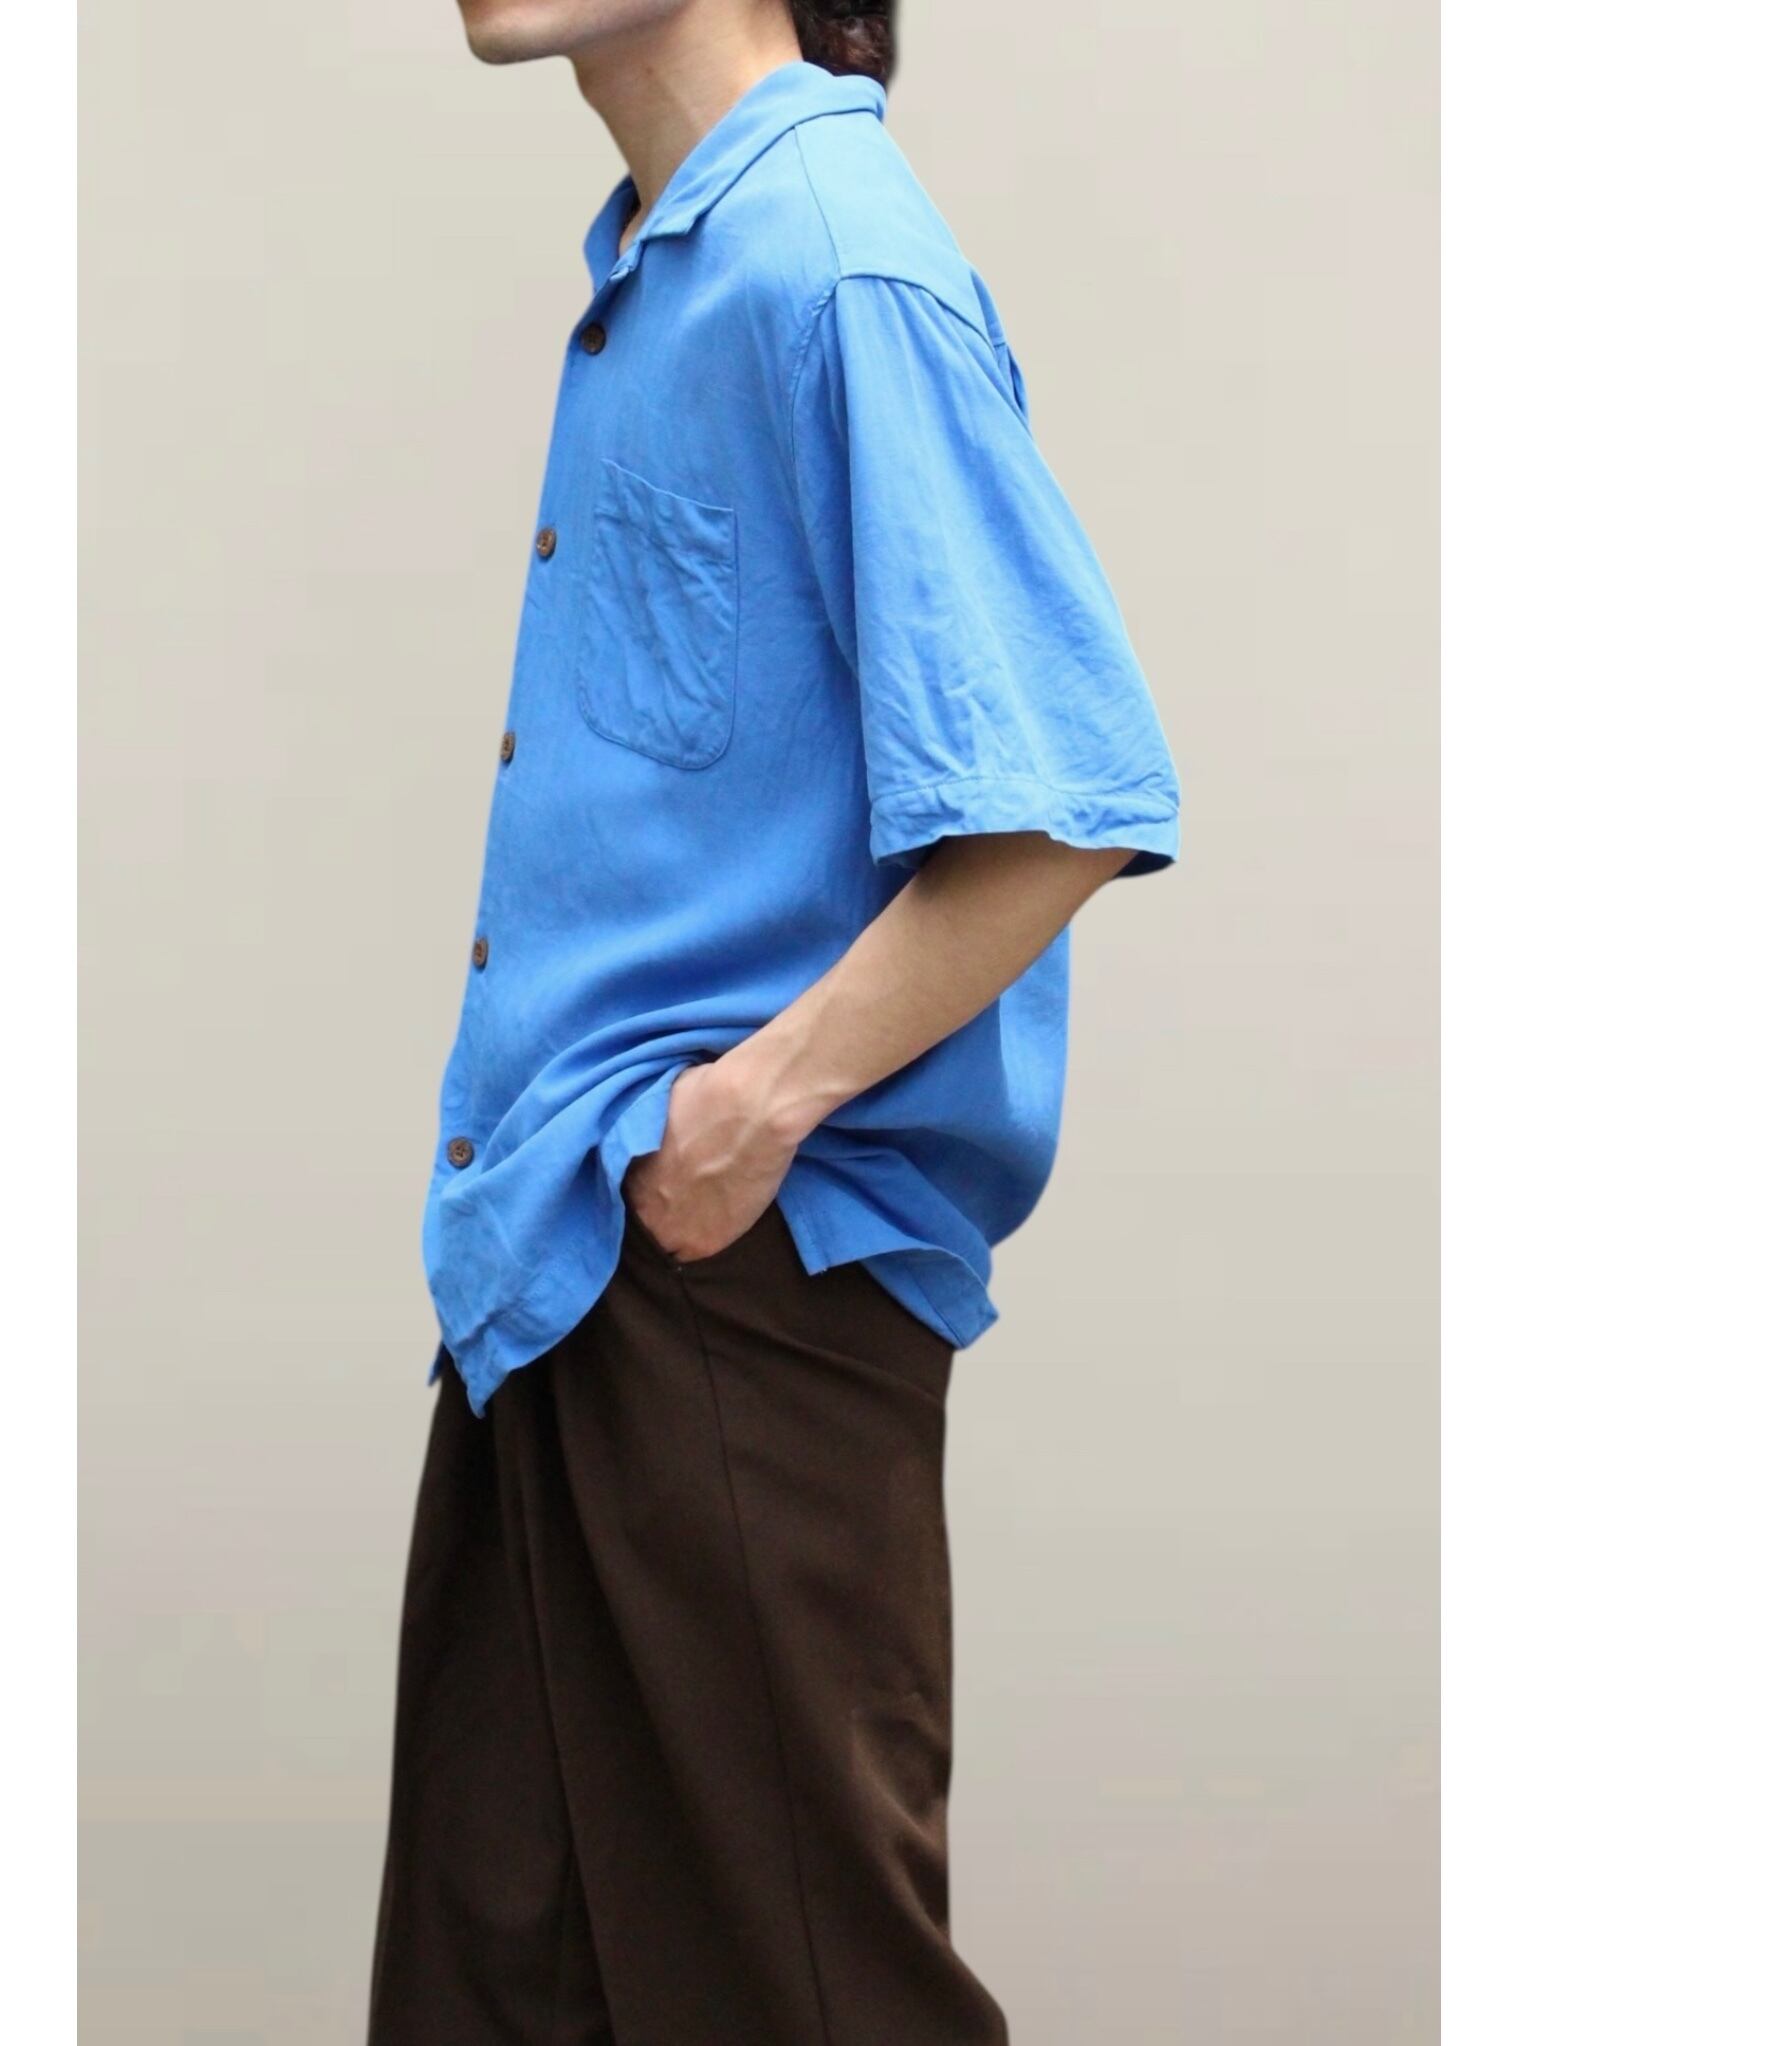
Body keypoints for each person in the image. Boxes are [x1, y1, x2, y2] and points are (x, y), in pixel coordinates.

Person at [368, 2, 1180, 2038]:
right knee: (499, 1995)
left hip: (734, 1293)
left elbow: (1067, 796)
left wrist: (745, 1115)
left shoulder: (835, 257)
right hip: (558, 1268)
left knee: (802, 2004)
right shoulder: (672, 268)